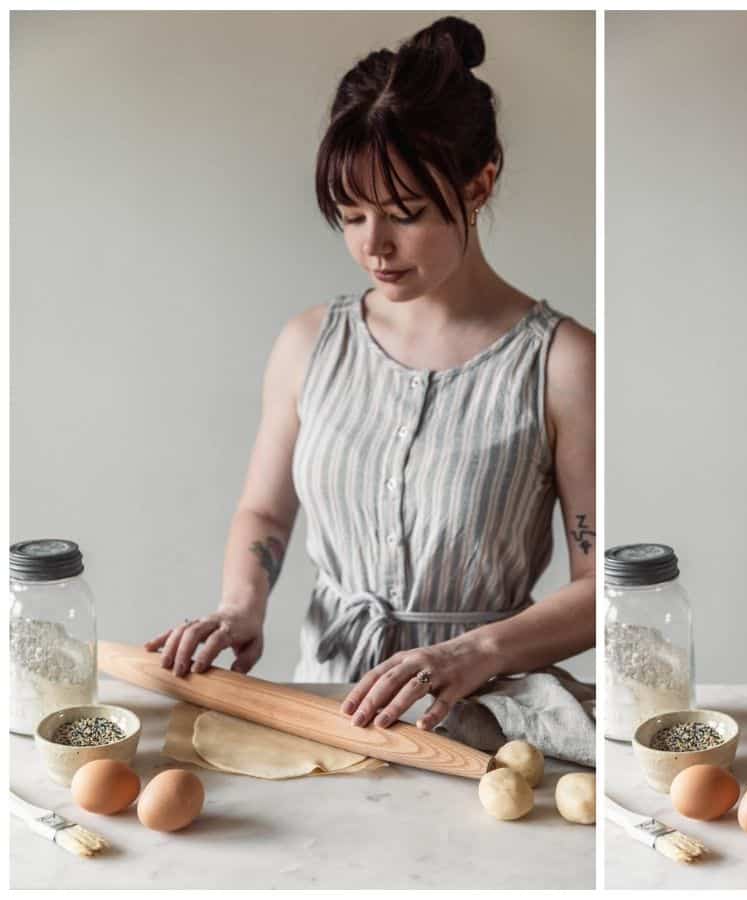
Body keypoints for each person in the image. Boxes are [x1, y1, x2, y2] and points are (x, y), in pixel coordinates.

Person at [146, 17, 595, 733]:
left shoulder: (562, 363)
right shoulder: (308, 344)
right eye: (351, 216)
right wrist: (241, 607)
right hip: (326, 707)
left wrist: (471, 651)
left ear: (479, 185)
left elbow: (600, 587)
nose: (373, 247)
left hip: (486, 721)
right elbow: (265, 513)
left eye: (404, 214)